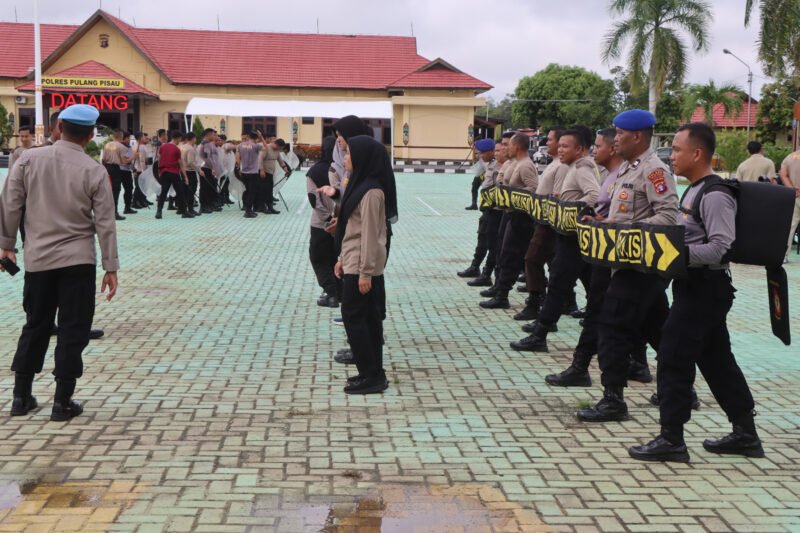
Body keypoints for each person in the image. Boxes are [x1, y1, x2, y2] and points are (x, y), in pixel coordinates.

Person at [629, 123, 764, 462]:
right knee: (717, 360)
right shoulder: (692, 190)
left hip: (707, 287)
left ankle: (671, 438)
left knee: (673, 355)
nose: (671, 155)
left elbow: (721, 247)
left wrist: (676, 255)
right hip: (694, 285)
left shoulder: (715, 194)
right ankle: (746, 434)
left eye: (675, 149)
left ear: (697, 153)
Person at [0, 104, 119, 421]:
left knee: (35, 325)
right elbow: (105, 222)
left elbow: (10, 203)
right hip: (78, 261)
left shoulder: (28, 160)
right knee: (72, 329)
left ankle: (20, 398)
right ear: (91, 133)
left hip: (38, 260)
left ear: (58, 127)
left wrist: (7, 246)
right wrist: (111, 266)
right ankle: (62, 402)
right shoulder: (93, 170)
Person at [576, 109, 678, 423]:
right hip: (624, 262)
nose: (615, 138)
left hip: (640, 266)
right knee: (660, 332)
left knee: (612, 328)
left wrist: (627, 228)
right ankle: (680, 391)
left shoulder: (654, 171)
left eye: (620, 134)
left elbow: (668, 215)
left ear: (637, 136)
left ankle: (614, 399)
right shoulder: (627, 170)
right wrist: (605, 222)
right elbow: (623, 213)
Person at [545, 127, 651, 386]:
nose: (595, 151)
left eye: (599, 146)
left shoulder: (643, 172)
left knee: (624, 319)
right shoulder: (616, 174)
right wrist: (603, 220)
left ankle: (597, 373)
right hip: (607, 253)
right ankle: (615, 368)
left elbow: (660, 217)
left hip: (628, 256)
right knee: (627, 317)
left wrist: (612, 223)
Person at [511, 126, 600, 351]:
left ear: (579, 149)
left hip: (572, 235)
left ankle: (541, 332)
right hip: (569, 233)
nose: (560, 149)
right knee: (582, 285)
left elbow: (594, 195)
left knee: (559, 281)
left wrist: (576, 209)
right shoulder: (572, 167)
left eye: (565, 146)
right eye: (559, 145)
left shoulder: (581, 169)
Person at [334, 135, 397, 394]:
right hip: (352, 262)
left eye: (349, 153)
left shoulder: (372, 192)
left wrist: (365, 273)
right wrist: (341, 259)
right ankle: (370, 373)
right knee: (365, 319)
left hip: (362, 268)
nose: (345, 158)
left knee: (356, 318)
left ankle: (372, 375)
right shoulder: (361, 186)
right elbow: (352, 228)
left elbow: (372, 235)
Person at [515, 127, 569, 321]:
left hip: (549, 221)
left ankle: (538, 303)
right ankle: (551, 303)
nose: (549, 143)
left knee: (534, 259)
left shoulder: (562, 166)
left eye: (553, 140)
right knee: (550, 264)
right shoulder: (555, 163)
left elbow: (557, 195)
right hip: (543, 218)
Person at [480, 132, 537, 309]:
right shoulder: (515, 163)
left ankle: (503, 294)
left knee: (511, 255)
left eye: (509, 145)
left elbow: (533, 189)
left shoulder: (526, 165)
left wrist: (512, 196)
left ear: (517, 147)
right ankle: (500, 290)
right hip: (510, 212)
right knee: (504, 253)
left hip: (520, 215)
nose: (506, 148)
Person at [308, 137, 340, 307]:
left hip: (321, 224)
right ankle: (339, 291)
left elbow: (314, 200)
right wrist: (337, 219)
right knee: (334, 258)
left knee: (319, 258)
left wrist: (328, 219)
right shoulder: (341, 170)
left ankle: (331, 293)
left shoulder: (315, 171)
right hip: (341, 223)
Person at [457, 138, 497, 277]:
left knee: (492, 244)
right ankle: (475, 267)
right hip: (486, 208)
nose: (479, 155)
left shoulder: (499, 165)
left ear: (491, 151)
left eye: (482, 153)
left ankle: (487, 274)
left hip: (495, 210)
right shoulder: (488, 163)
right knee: (482, 238)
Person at [156, 131, 195, 219]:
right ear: (177, 138)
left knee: (163, 192)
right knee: (180, 192)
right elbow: (181, 164)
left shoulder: (162, 147)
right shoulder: (177, 149)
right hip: (174, 172)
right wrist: (185, 176)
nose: (180, 141)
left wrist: (159, 171)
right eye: (180, 139)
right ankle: (184, 212)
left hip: (164, 172)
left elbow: (159, 159)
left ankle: (159, 211)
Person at [101, 129, 131, 221]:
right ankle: (114, 213)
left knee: (107, 190)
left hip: (107, 168)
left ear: (113, 136)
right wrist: (133, 157)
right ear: (121, 137)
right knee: (116, 190)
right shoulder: (122, 147)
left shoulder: (107, 145)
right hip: (115, 168)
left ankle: (106, 212)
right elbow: (123, 162)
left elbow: (103, 159)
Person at [257, 137, 291, 214]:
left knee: (269, 190)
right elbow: (260, 159)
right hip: (263, 172)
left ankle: (270, 207)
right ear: (276, 144)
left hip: (271, 172)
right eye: (279, 147)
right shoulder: (266, 147)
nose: (280, 149)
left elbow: (280, 161)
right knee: (263, 190)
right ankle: (262, 207)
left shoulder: (277, 150)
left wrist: (286, 170)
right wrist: (261, 170)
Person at [779, 147, 800, 261]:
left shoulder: (789, 157)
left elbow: (783, 174)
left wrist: (792, 189)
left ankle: (784, 255)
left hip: (795, 196)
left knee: (790, 226)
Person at [236, 131, 263, 218]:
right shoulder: (256, 145)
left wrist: (238, 167)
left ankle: (248, 209)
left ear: (248, 136)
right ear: (256, 138)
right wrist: (261, 137)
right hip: (253, 173)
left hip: (244, 172)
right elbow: (266, 148)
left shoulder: (240, 145)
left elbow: (237, 158)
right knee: (252, 192)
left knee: (247, 191)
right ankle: (248, 211)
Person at [199, 128, 220, 214]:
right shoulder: (206, 143)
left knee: (207, 187)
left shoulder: (205, 143)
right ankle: (204, 206)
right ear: (208, 135)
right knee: (205, 188)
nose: (214, 136)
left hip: (207, 167)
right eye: (212, 134)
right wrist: (213, 168)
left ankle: (208, 205)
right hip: (206, 168)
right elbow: (207, 157)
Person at [180, 132, 201, 214]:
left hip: (182, 171)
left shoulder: (181, 147)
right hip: (190, 172)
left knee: (185, 191)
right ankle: (191, 209)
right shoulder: (190, 149)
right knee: (191, 191)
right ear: (193, 138)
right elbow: (191, 162)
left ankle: (183, 209)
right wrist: (199, 170)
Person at [119, 132, 137, 215]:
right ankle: (127, 207)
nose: (129, 140)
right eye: (129, 138)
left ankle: (117, 210)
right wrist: (133, 157)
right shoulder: (127, 148)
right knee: (129, 189)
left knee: (116, 191)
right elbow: (128, 162)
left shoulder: (116, 146)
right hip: (125, 171)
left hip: (117, 170)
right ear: (125, 138)